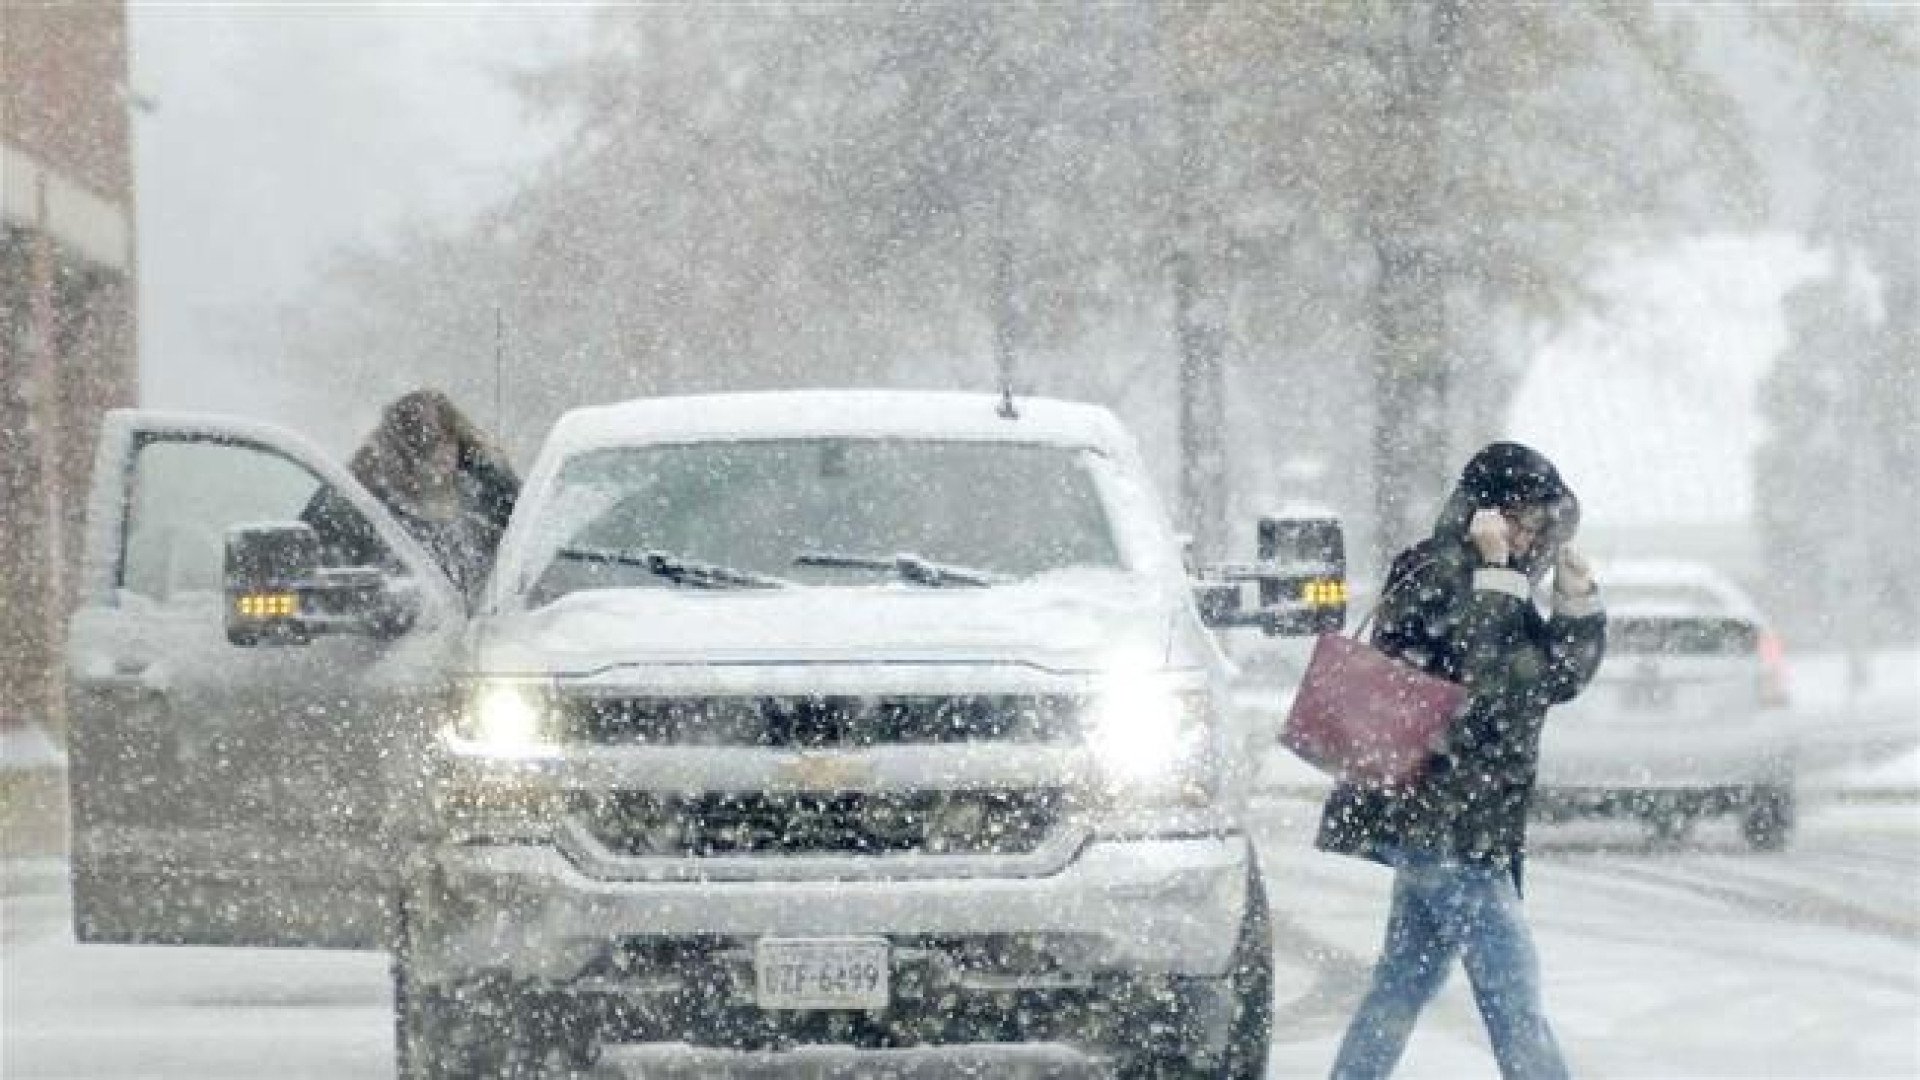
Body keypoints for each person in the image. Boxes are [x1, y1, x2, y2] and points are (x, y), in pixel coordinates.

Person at [1319, 441, 1607, 1080]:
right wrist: (1497, 578)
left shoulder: (1499, 582)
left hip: (1469, 823)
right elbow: (1487, 687)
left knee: (1402, 985)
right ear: (1486, 511)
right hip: (1443, 817)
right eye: (1522, 517)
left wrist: (1577, 604)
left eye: (1540, 522)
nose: (1532, 534)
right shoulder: (1433, 573)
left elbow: (1548, 680)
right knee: (1512, 990)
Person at [302, 389, 519, 601]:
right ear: (399, 452)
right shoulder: (354, 503)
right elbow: (313, 581)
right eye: (426, 445)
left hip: (496, 627)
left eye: (448, 439)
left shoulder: (491, 491)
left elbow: (533, 538)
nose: (442, 453)